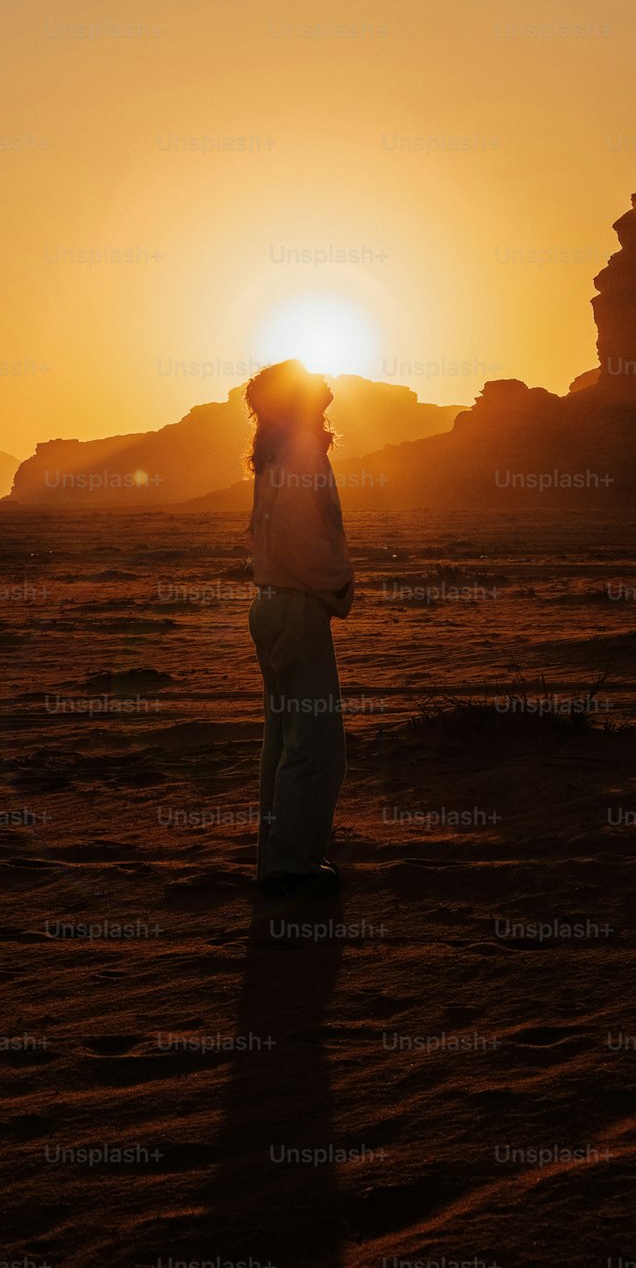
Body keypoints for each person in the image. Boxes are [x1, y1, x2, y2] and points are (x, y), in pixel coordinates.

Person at [242, 359, 355, 898]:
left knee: (285, 739)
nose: (324, 380)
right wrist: (336, 585)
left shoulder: (277, 452)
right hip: (296, 604)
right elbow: (295, 534)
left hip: (272, 602)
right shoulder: (302, 448)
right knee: (315, 742)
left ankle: (280, 860)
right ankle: (292, 866)